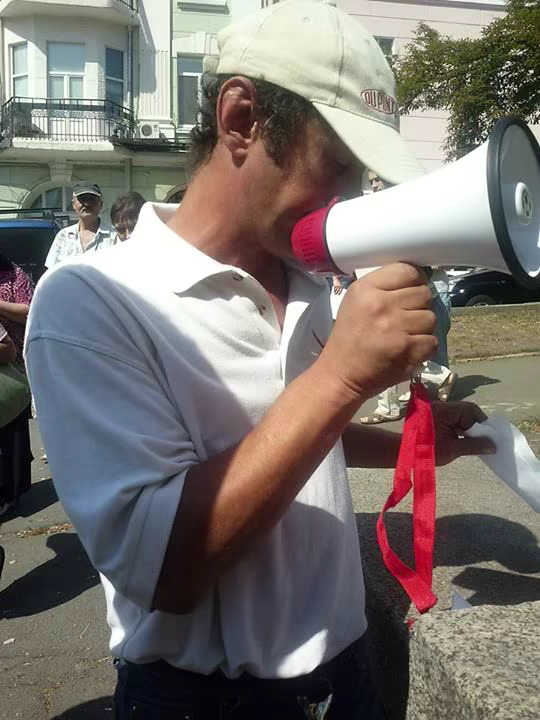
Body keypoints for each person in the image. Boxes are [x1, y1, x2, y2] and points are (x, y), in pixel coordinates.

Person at [25, 2, 495, 718]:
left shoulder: (306, 281)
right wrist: (341, 375)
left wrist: (417, 443)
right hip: (207, 702)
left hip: (349, 670)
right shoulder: (90, 302)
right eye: (336, 165)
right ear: (240, 118)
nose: (346, 200)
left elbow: (296, 439)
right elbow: (163, 569)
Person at [0, 256, 33, 517]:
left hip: (17, 360)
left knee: (14, 425)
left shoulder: (12, 274)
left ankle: (13, 492)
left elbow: (29, 311)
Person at [45, 182, 116, 268]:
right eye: (82, 199)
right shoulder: (63, 237)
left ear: (101, 205)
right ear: (73, 204)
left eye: (92, 199)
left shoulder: (114, 237)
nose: (87, 204)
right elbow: (52, 272)